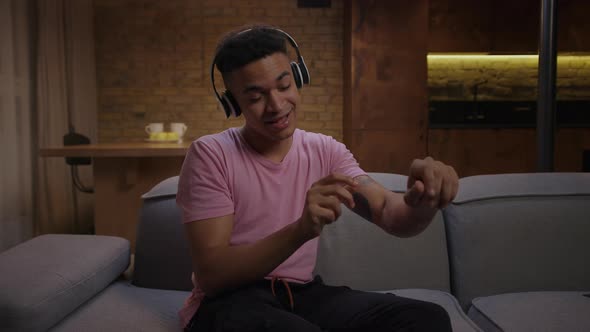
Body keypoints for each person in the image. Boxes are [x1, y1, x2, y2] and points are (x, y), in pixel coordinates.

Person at [176, 25, 458, 332]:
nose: (276, 105)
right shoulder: (210, 154)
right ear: (233, 103)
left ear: (298, 79)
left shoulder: (325, 150)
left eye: (284, 86)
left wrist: (423, 200)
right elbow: (213, 277)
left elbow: (390, 214)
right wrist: (300, 230)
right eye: (256, 96)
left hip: (301, 294)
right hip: (230, 302)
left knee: (427, 319)